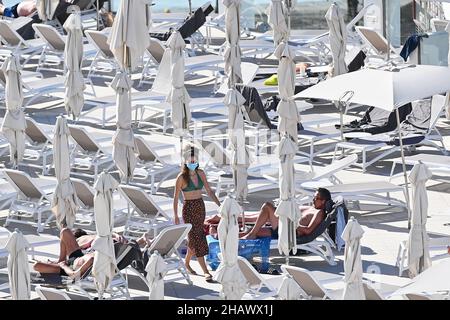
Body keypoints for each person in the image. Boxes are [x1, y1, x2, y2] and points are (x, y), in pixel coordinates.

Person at [173, 145, 221, 282]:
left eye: (195, 161)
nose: (193, 164)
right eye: (191, 161)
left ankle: (187, 263)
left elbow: (209, 191)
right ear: (186, 161)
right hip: (188, 209)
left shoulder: (201, 173)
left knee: (195, 239)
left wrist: (220, 205)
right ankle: (206, 271)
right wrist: (176, 215)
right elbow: (176, 198)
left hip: (200, 207)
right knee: (198, 238)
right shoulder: (181, 177)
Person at [33, 228, 150, 279]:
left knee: (37, 265)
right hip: (75, 262)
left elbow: (74, 275)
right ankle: (142, 241)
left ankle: (57, 262)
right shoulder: (94, 256)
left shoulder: (92, 257)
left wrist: (62, 265)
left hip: (71, 264)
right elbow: (75, 275)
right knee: (65, 232)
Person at [234, 188, 332, 240]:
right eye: (314, 197)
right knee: (253, 230)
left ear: (323, 201)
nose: (313, 200)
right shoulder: (311, 208)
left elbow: (308, 230)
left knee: (267, 206)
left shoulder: (319, 213)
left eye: (316, 198)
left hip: (290, 233)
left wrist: (293, 224)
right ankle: (224, 239)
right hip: (284, 227)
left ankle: (251, 234)